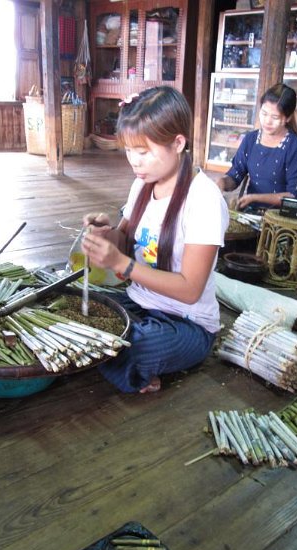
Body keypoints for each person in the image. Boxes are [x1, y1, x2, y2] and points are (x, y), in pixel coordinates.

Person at [81, 86, 229, 394]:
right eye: (129, 150)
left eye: (143, 151)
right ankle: (125, 364)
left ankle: (132, 363)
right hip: (139, 303)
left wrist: (122, 264)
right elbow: (124, 239)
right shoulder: (143, 184)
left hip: (187, 324)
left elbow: (189, 290)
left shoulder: (203, 199)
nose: (134, 162)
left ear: (177, 143)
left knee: (135, 345)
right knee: (75, 307)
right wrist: (105, 235)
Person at [217, 82, 297, 213]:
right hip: (251, 213)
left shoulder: (295, 147)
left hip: (281, 219)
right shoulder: (251, 140)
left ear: (288, 118)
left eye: (275, 117)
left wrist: (254, 198)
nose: (267, 121)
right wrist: (222, 183)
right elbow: (236, 174)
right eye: (264, 113)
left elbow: (294, 197)